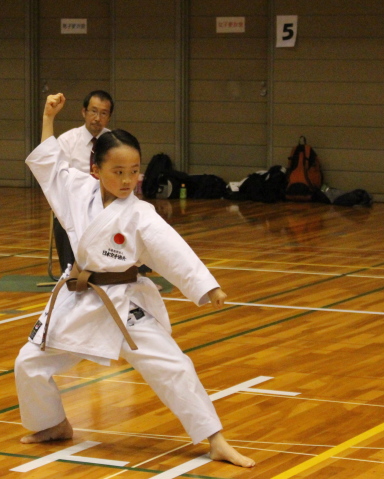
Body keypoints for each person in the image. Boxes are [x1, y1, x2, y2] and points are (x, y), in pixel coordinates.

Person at [13, 92, 255, 468]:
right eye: (118, 172)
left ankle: (216, 440)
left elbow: (172, 250)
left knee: (174, 366)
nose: (128, 180)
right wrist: (48, 118)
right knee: (29, 363)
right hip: (80, 300)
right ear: (96, 170)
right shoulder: (77, 191)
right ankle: (53, 424)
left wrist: (207, 286)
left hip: (123, 304)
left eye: (134, 171)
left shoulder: (141, 214)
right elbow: (51, 164)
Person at [52, 90, 114, 273]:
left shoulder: (114, 141)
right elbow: (58, 180)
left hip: (105, 203)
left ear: (109, 117)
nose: (97, 118)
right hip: (75, 204)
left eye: (103, 113)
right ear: (84, 112)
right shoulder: (67, 141)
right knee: (63, 219)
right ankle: (69, 272)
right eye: (93, 111)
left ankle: (132, 273)